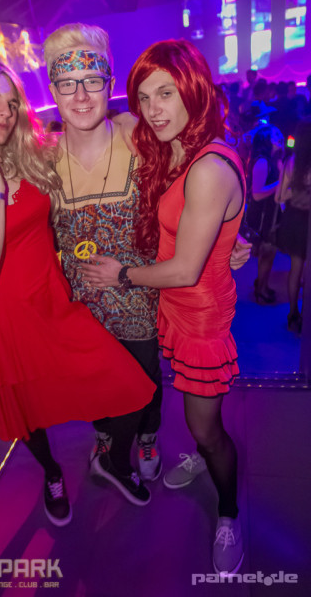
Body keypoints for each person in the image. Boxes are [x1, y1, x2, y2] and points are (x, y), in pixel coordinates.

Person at [0, 59, 156, 526]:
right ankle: (52, 472)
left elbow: (94, 135)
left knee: (133, 388)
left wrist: (130, 120)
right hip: (7, 319)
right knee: (29, 414)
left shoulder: (30, 155)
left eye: (12, 102)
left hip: (57, 302)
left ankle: (111, 460)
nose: (5, 111)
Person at [43, 23, 251, 486]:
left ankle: (148, 437)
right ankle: (107, 438)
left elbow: (202, 179)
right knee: (95, 384)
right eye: (67, 83)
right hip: (82, 303)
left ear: (109, 85)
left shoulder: (141, 136)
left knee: (146, 381)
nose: (81, 96)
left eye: (92, 81)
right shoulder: (40, 159)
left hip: (142, 299)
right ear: (53, 90)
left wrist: (229, 235)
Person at [81, 39, 246, 575]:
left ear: (193, 90)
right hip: (173, 307)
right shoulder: (175, 146)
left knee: (207, 428)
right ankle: (200, 454)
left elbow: (185, 269)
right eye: (145, 97)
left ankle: (229, 512)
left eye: (166, 93)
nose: (153, 109)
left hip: (199, 315)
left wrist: (120, 274)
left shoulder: (208, 165)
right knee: (189, 408)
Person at [275, 116, 311, 332]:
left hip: (295, 220)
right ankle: (306, 316)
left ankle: (292, 313)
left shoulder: (291, 162)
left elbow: (278, 197)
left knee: (295, 268)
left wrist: (293, 193)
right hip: (307, 221)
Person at [246, 124, 284, 303]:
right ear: (266, 140)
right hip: (262, 217)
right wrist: (280, 183)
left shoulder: (274, 160)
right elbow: (257, 194)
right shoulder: (262, 162)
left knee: (269, 254)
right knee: (267, 254)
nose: (280, 135)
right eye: (275, 134)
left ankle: (263, 285)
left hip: (270, 214)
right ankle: (260, 291)